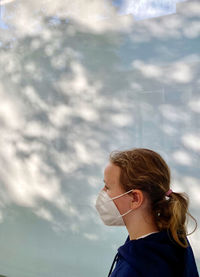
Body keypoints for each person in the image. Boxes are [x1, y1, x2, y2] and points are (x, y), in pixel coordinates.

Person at [95, 148, 199, 277]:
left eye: (108, 187)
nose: (102, 192)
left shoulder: (134, 269)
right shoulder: (174, 240)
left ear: (135, 198)